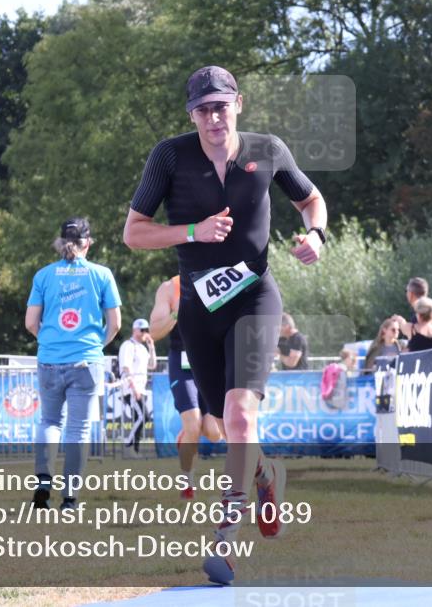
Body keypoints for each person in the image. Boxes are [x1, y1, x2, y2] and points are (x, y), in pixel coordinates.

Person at [123, 65, 327, 584]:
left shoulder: (269, 149)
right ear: (191, 114)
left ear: (239, 103)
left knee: (240, 414)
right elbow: (134, 233)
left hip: (256, 296)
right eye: (203, 109)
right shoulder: (169, 157)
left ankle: (226, 538)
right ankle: (265, 474)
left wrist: (317, 235)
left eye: (221, 105)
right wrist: (194, 231)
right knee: (221, 425)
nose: (214, 117)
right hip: (200, 309)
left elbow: (309, 200)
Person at [26, 218, 121, 510]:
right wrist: (94, 347)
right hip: (86, 361)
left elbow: (31, 322)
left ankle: (43, 480)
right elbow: (115, 324)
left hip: (50, 360)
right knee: (78, 430)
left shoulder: (43, 275)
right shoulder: (102, 274)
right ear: (88, 243)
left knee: (49, 421)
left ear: (60, 243)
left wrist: (51, 342)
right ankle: (70, 499)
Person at [149, 276, 225, 498]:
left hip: (211, 362)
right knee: (193, 424)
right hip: (182, 363)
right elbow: (154, 332)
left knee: (213, 433)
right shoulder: (169, 288)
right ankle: (187, 482)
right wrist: (176, 313)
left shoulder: (220, 279)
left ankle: (186, 437)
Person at [117, 318, 157, 458]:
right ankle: (128, 445)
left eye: (147, 330)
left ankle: (134, 450)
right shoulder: (128, 345)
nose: (145, 333)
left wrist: (151, 346)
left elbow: (152, 365)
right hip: (131, 388)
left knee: (138, 418)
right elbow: (126, 368)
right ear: (135, 330)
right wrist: (133, 388)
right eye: (142, 330)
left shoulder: (142, 348)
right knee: (143, 417)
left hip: (141, 388)